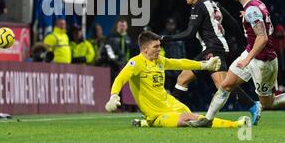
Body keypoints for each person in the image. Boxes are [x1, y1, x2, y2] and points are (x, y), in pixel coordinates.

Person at [187, 0, 285, 127]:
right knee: (226, 84)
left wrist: (247, 59)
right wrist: (248, 21)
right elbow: (264, 24)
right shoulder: (257, 5)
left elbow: (262, 38)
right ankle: (207, 119)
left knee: (268, 102)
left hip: (263, 62)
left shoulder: (251, 10)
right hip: (252, 54)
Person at [161, 0, 260, 124]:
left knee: (223, 85)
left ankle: (253, 105)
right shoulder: (214, 4)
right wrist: (237, 42)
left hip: (213, 49)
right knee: (183, 78)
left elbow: (189, 33)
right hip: (214, 48)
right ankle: (170, 111)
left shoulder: (198, 6)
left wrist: (167, 38)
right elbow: (233, 23)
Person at [105, 31, 250, 128]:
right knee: (189, 118)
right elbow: (120, 78)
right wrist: (113, 96)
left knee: (186, 112)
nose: (158, 49)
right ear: (144, 49)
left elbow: (180, 62)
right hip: (157, 114)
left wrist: (204, 65)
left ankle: (144, 123)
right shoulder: (135, 63)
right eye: (155, 47)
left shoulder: (159, 61)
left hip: (169, 103)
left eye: (159, 46)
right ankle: (235, 124)